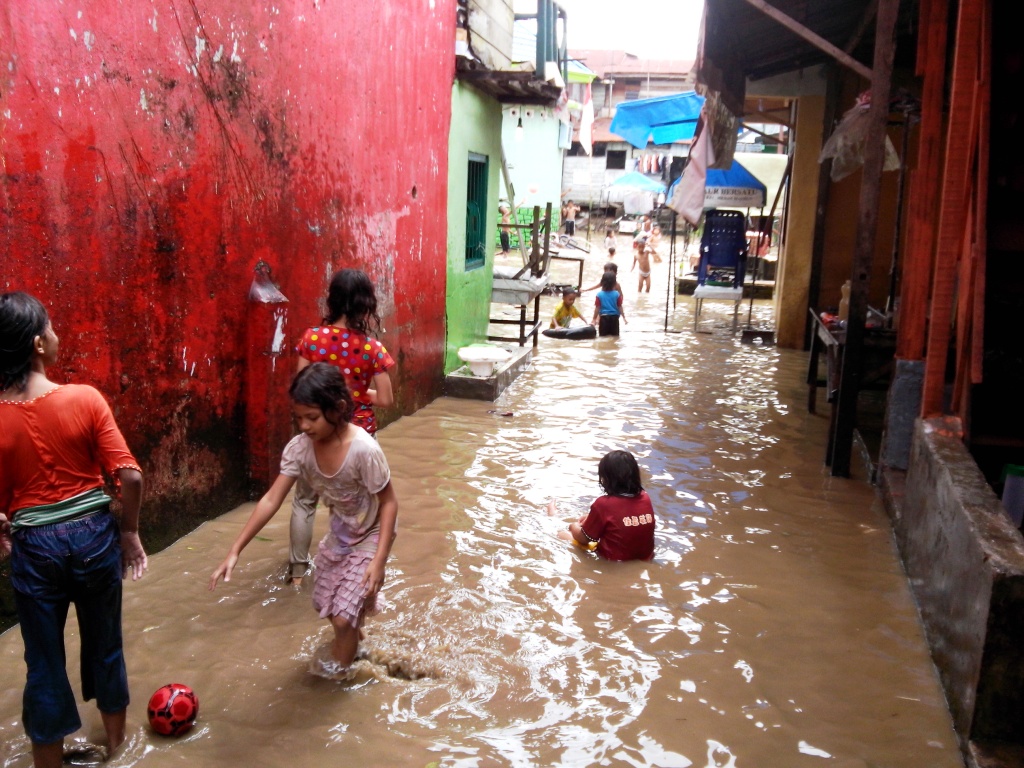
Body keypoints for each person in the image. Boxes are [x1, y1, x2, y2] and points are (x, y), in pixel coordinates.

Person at [0, 292, 147, 768]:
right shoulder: (84, 398)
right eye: (52, 328)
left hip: (35, 549)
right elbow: (131, 476)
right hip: (92, 537)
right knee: (106, 646)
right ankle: (119, 751)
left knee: (43, 663)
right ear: (39, 343)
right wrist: (128, 532)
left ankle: (48, 762)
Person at [210, 363, 398, 677]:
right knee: (325, 605)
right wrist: (235, 550)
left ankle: (336, 678)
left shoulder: (364, 449)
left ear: (338, 409)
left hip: (372, 535)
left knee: (341, 619)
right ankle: (357, 642)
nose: (304, 426)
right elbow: (271, 499)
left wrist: (379, 560)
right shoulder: (300, 449)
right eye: (298, 418)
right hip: (340, 535)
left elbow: (390, 503)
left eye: (311, 417)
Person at [290, 268, 395, 584]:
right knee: (362, 508)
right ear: (366, 307)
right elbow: (387, 399)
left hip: (316, 433)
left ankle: (296, 573)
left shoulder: (312, 340)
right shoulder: (371, 349)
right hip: (358, 436)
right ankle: (355, 569)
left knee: (304, 501)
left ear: (332, 301)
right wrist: (361, 393)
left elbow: (300, 388)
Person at [554, 450, 655, 561]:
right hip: (646, 558)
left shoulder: (603, 504)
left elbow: (584, 539)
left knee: (561, 533)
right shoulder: (645, 497)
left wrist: (573, 526)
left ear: (607, 479)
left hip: (612, 562)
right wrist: (590, 518)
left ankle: (552, 513)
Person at [592, 271, 627, 337]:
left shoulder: (599, 295)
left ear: (602, 283)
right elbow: (620, 306)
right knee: (615, 337)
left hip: (603, 318)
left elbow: (597, 308)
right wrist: (624, 317)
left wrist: (594, 319)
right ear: (614, 283)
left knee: (603, 337)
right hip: (615, 319)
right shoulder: (617, 294)